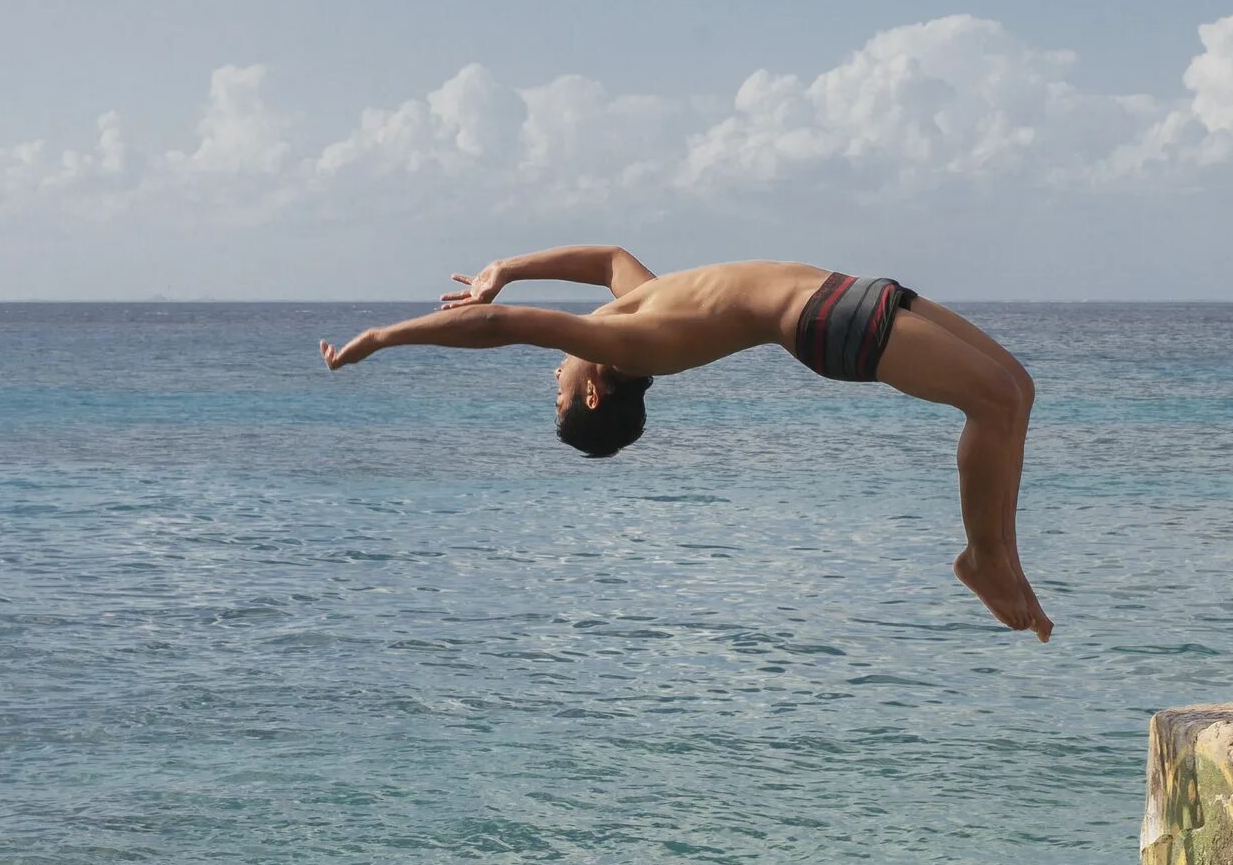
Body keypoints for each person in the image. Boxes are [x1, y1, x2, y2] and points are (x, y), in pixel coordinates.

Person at [319, 247, 1050, 639]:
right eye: (560, 390)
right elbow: (497, 326)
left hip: (850, 291)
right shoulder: (627, 340)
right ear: (597, 390)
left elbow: (608, 257)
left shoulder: (637, 303)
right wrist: (384, 338)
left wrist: (506, 266)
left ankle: (1002, 559)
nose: (556, 373)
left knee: (1015, 392)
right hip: (822, 322)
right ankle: (983, 559)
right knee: (988, 406)